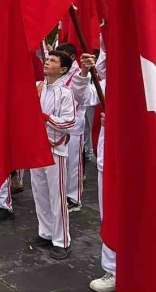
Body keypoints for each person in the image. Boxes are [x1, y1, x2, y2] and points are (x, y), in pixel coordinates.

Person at [72, 50, 113, 291]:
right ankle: (113, 269)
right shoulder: (110, 83)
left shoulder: (152, 81)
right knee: (108, 214)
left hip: (140, 160)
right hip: (109, 157)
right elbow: (84, 96)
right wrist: (85, 72)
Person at [28, 51, 75, 261]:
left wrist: (46, 118)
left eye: (53, 61)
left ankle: (61, 240)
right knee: (39, 192)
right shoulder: (37, 86)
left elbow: (69, 122)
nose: (47, 63)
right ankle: (45, 232)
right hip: (36, 147)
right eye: (47, 59)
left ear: (63, 69)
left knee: (57, 196)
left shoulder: (66, 93)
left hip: (55, 149)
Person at [55, 42, 92, 212]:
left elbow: (81, 97)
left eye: (61, 56)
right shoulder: (61, 74)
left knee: (74, 163)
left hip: (74, 124)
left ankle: (74, 198)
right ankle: (63, 193)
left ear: (70, 57)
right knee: (62, 162)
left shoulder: (79, 73)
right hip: (58, 125)